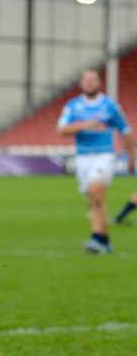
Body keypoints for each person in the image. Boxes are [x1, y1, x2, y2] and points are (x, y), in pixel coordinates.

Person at [57, 69, 135, 254]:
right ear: (81, 83)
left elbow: (126, 131)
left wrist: (132, 157)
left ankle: (95, 238)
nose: (90, 82)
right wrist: (85, 124)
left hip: (104, 155)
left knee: (96, 192)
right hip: (82, 157)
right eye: (86, 79)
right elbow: (62, 131)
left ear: (99, 82)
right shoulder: (72, 106)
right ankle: (104, 241)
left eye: (93, 79)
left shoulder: (110, 106)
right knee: (94, 200)